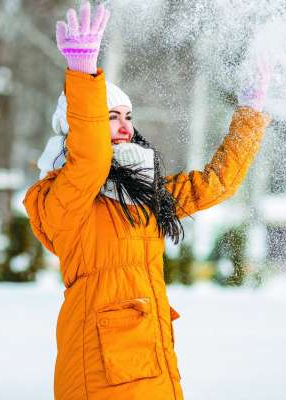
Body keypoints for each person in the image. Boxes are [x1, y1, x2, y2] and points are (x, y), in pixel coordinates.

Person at [23, 2, 271, 399]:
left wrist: (250, 112)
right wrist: (83, 75)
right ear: (80, 124)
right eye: (110, 116)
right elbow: (90, 160)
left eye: (128, 115)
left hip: (150, 362)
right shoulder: (63, 199)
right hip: (100, 370)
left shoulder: (144, 196)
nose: (123, 126)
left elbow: (217, 183)